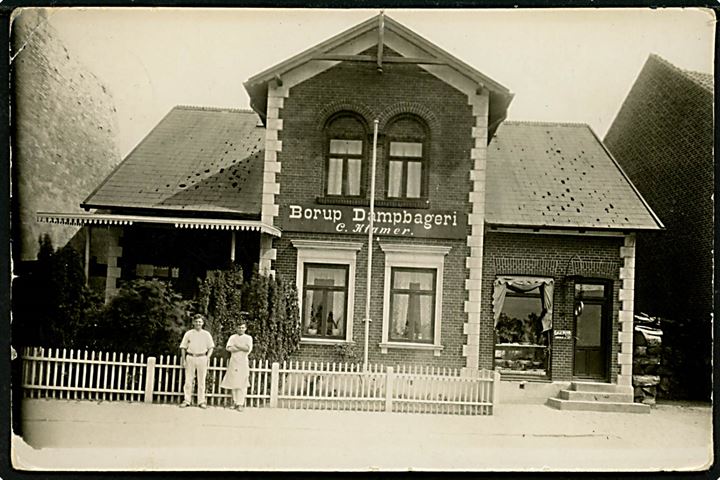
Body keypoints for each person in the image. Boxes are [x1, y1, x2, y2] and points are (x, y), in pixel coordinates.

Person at [179, 314, 215, 409]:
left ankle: (201, 401)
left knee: (201, 380)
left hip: (202, 357)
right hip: (190, 357)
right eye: (196, 322)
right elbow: (183, 347)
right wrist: (184, 360)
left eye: (200, 322)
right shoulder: (189, 333)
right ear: (193, 323)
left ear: (203, 323)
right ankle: (187, 400)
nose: (198, 323)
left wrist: (207, 357)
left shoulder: (206, 334)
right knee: (188, 380)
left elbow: (211, 347)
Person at [220, 320, 253, 411]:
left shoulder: (248, 338)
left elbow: (247, 349)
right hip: (234, 361)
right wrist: (240, 347)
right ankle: (235, 402)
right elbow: (229, 348)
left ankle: (240, 403)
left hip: (243, 362)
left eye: (243, 327)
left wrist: (237, 346)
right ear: (236, 328)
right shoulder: (232, 337)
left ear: (245, 328)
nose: (241, 329)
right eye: (239, 328)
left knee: (242, 383)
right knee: (234, 382)